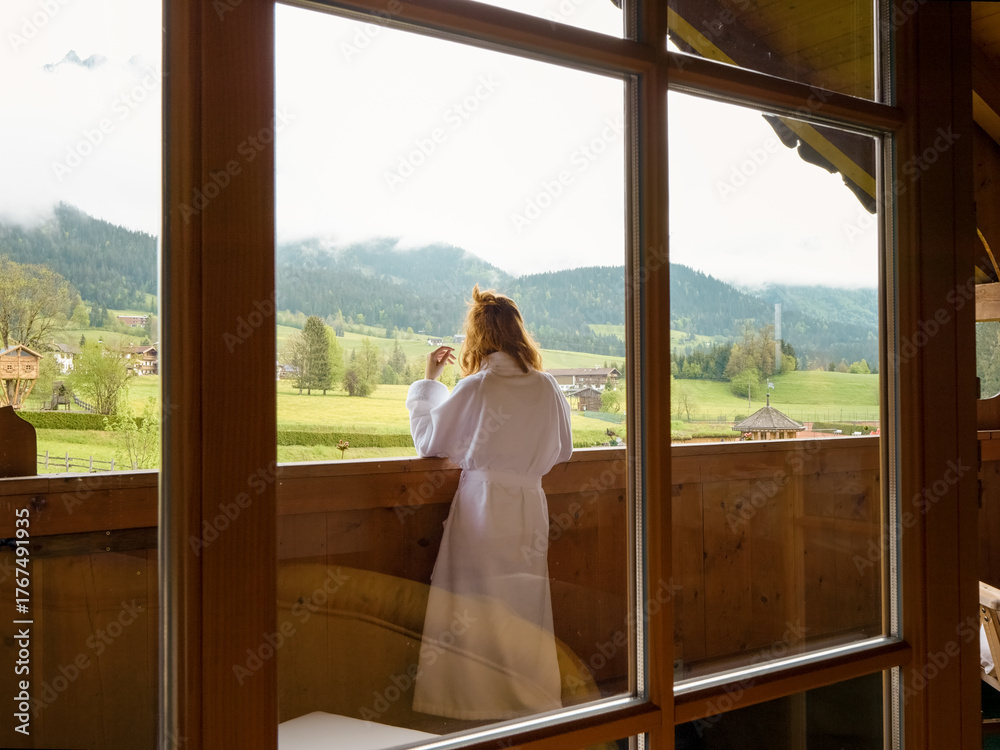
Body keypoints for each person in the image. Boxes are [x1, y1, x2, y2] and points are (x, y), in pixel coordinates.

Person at [406, 285, 573, 720]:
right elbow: (564, 450)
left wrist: (429, 383)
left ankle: (466, 703)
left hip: (483, 507)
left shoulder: (478, 387)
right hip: (529, 505)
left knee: (471, 603)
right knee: (524, 601)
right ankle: (529, 701)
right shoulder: (547, 386)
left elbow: (429, 442)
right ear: (518, 333)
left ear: (478, 336)